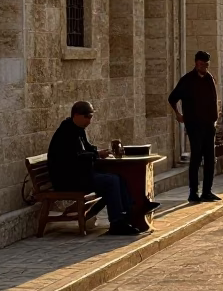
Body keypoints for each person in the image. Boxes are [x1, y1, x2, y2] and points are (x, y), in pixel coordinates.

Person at [47, 101, 158, 236]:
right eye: (87, 117)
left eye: (91, 117)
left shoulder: (77, 130)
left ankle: (131, 211)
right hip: (69, 179)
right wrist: (96, 154)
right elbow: (74, 156)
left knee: (118, 178)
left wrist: (99, 152)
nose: (89, 121)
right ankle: (117, 222)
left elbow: (87, 148)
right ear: (76, 115)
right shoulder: (66, 132)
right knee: (110, 182)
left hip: (80, 175)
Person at [169, 51, 220, 203]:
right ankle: (193, 192)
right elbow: (172, 98)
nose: (204, 67)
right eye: (202, 64)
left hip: (209, 124)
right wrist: (178, 114)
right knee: (196, 158)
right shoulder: (187, 80)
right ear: (196, 63)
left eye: (206, 65)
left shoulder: (209, 79)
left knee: (210, 159)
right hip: (194, 125)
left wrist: (214, 119)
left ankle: (207, 191)